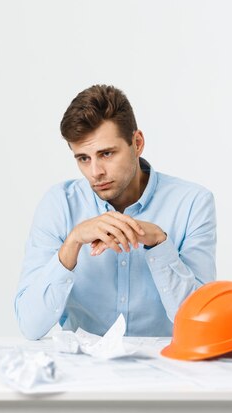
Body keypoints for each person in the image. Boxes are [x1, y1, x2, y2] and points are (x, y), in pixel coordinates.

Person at [15, 85, 216, 340]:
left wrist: (160, 244)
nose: (95, 172)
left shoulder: (192, 203)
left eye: (106, 153)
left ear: (137, 143)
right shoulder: (59, 204)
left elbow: (204, 323)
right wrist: (73, 242)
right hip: (83, 371)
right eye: (83, 159)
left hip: (165, 368)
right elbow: (30, 326)